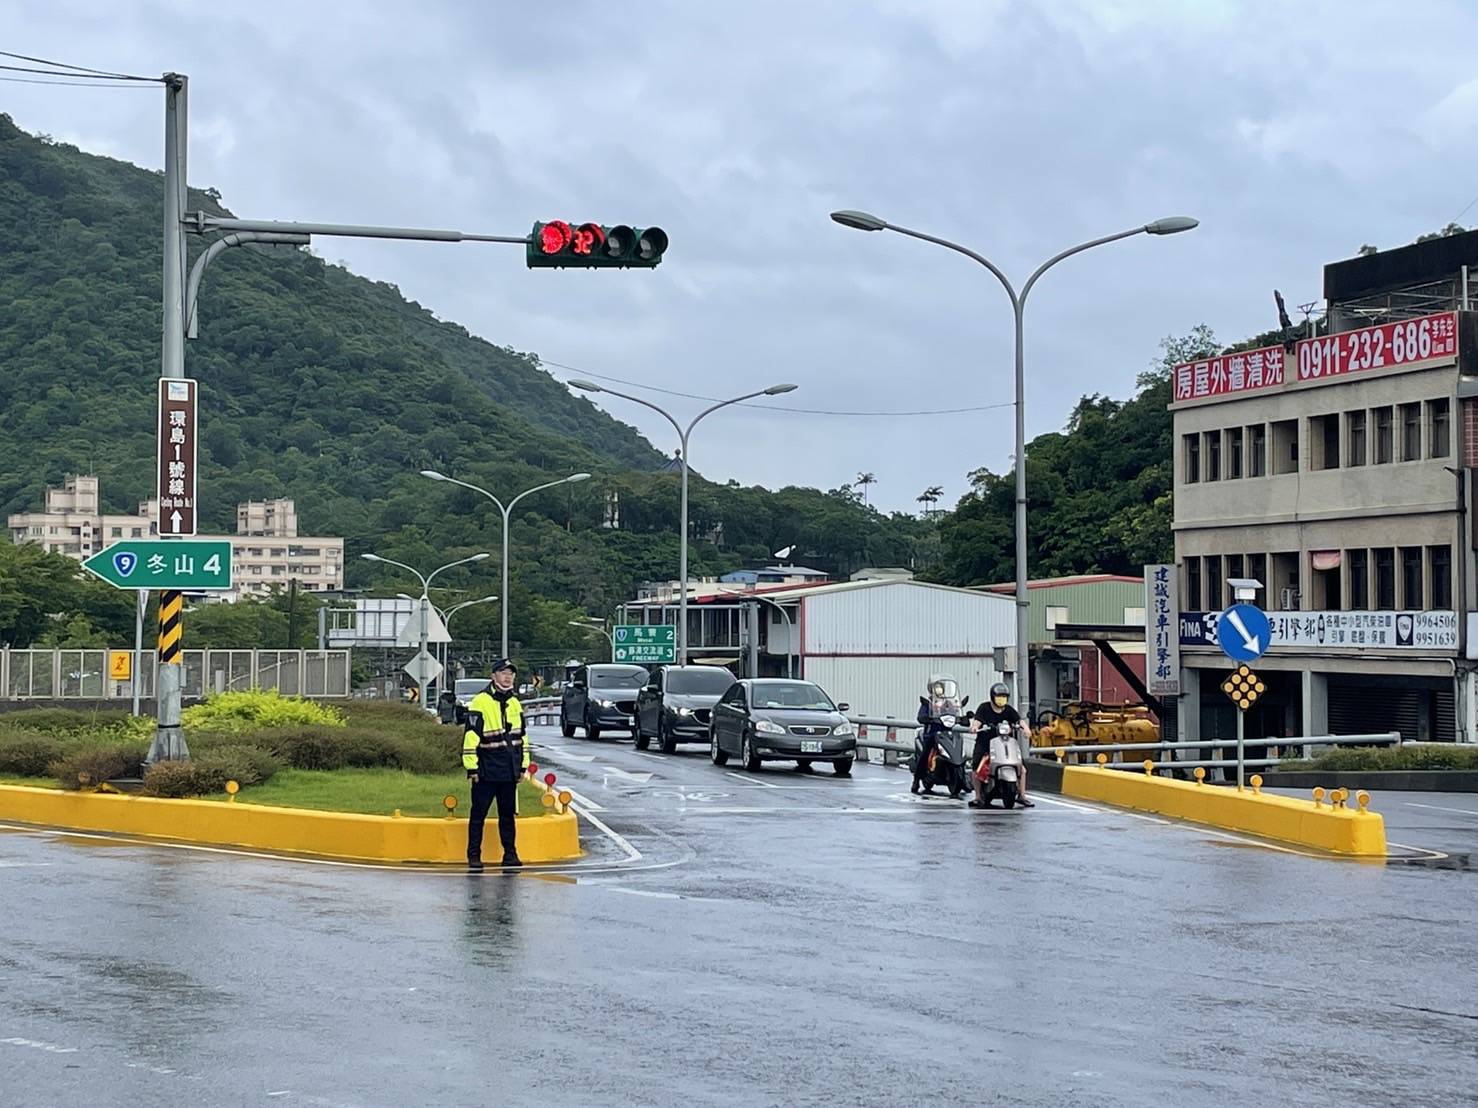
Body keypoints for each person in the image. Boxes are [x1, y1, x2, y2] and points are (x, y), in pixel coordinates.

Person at [462, 658, 525, 871]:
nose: (507, 677)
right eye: (503, 673)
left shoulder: (515, 702)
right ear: (494, 676)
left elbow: (522, 738)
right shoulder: (480, 701)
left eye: (511, 673)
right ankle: (473, 855)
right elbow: (470, 737)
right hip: (486, 771)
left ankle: (510, 854)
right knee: (478, 814)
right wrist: (472, 767)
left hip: (509, 771)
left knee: (507, 816)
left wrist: (523, 766)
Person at [968, 681, 1034, 808]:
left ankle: (1022, 795)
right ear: (992, 697)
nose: (1001, 699)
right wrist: (975, 727)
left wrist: (1026, 729)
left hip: (1005, 743)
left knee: (1022, 769)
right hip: (985, 743)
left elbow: (1019, 720)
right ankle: (977, 796)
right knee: (977, 766)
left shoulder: (1008, 710)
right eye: (999, 696)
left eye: (1004, 697)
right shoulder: (984, 708)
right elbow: (977, 721)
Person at [911, 674, 958, 795]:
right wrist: (926, 718)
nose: (939, 690)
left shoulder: (948, 703)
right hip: (932, 734)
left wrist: (961, 718)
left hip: (946, 733)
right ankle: (916, 779)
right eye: (936, 687)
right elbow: (921, 716)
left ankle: (960, 775)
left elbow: (955, 713)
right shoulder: (928, 703)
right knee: (925, 752)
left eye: (940, 687)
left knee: (957, 746)